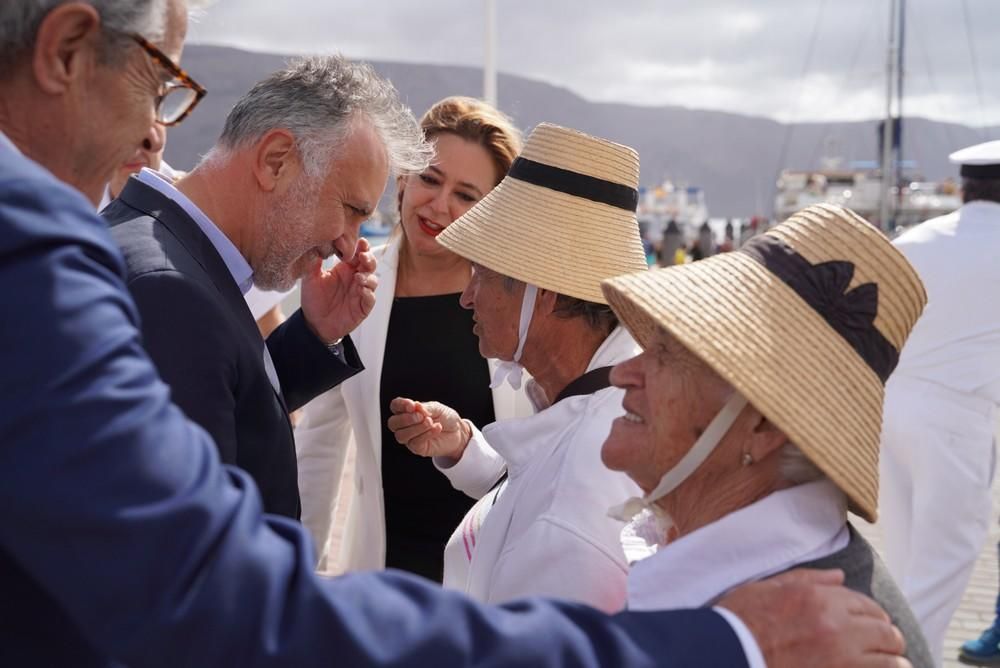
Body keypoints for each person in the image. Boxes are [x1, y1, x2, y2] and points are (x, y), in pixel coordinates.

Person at [0, 1, 914, 665]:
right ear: (68, 50)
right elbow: (209, 596)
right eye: (160, 86)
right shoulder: (68, 261)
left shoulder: (73, 256)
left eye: (667, 350)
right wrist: (719, 646)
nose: (159, 132)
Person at [598, 203, 933, 668]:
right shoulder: (795, 605)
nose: (621, 373)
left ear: (764, 425)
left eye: (667, 352)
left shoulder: (830, 643)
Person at [101, 55, 421, 518]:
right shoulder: (170, 294)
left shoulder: (164, 252)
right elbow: (190, 549)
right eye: (351, 209)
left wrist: (313, 334)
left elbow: (228, 403)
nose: (349, 246)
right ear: (276, 162)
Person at [388, 124, 655, 610]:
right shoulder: (602, 403)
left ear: (543, 292)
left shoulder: (580, 496)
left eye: (483, 275)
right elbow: (532, 482)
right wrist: (468, 448)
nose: (467, 297)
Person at [295, 96, 529, 578]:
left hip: (491, 579)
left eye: (466, 195)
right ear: (402, 177)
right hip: (381, 572)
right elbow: (320, 442)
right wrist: (296, 573)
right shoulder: (353, 282)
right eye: (431, 178)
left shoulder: (519, 303)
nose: (440, 205)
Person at [878, 140, 1000, 664]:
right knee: (938, 575)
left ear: (965, 186)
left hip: (890, 406)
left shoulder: (915, 239)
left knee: (900, 572)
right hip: (958, 418)